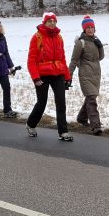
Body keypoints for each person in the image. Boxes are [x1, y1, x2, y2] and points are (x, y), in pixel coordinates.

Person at [25, 12, 73, 141]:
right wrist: (36, 78)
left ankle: (63, 132)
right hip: (42, 76)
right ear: (44, 22)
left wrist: (67, 77)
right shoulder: (37, 37)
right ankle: (30, 124)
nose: (52, 23)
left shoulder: (59, 37)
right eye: (49, 21)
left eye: (54, 21)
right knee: (42, 103)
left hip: (58, 74)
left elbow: (62, 58)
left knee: (61, 103)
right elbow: (31, 60)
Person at [69, 15, 105, 135]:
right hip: (85, 74)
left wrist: (100, 46)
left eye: (92, 27)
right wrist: (68, 76)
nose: (90, 29)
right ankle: (96, 125)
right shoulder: (81, 43)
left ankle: (81, 118)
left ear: (95, 29)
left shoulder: (95, 41)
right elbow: (74, 60)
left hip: (96, 74)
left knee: (91, 97)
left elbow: (100, 57)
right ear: (84, 29)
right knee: (91, 99)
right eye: (87, 27)